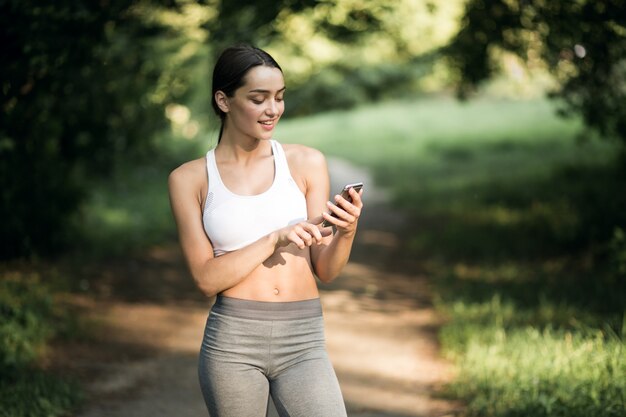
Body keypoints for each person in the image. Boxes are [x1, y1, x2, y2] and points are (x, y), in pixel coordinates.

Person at [168, 44, 363, 417]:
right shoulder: (188, 179)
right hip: (232, 344)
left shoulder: (306, 162)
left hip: (304, 340)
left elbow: (326, 270)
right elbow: (206, 280)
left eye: (279, 97)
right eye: (258, 99)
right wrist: (275, 237)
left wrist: (347, 231)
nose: (272, 109)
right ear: (224, 101)